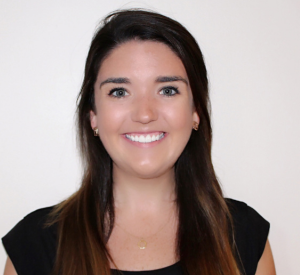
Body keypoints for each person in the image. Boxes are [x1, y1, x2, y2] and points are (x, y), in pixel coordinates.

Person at [2, 9, 276, 275]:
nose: (145, 113)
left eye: (168, 90)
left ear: (196, 112)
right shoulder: (33, 245)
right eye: (119, 92)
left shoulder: (245, 235)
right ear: (93, 116)